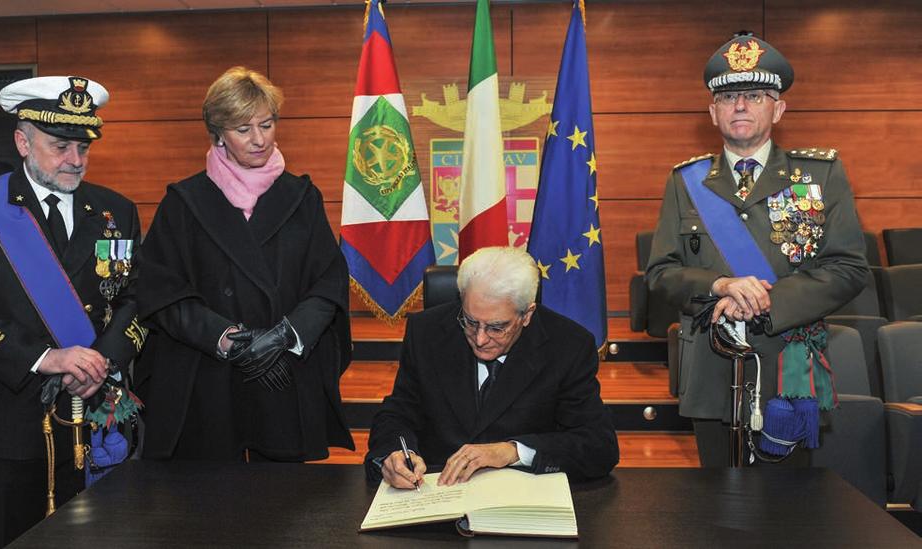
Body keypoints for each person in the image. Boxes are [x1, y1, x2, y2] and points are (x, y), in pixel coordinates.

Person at [0, 76, 143, 548]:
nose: (75, 160)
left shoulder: (115, 211)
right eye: (60, 146)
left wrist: (102, 361)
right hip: (8, 421)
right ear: (22, 142)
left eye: (83, 147)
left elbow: (135, 300)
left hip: (96, 415)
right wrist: (45, 359)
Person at [645, 32, 869, 466]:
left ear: (778, 108)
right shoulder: (685, 182)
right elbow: (660, 273)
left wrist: (766, 302)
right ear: (713, 113)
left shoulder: (821, 174)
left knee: (788, 515)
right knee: (716, 513)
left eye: (755, 94)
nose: (741, 106)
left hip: (789, 371)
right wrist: (722, 285)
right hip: (711, 369)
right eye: (729, 98)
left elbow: (848, 268)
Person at [135, 66, 354, 461]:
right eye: (243, 129)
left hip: (282, 371)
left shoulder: (302, 197)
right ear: (218, 133)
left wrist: (285, 336)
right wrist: (227, 339)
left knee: (286, 507)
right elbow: (160, 290)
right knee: (211, 507)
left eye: (267, 125)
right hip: (209, 376)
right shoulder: (184, 202)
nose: (259, 140)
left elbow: (328, 282)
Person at [365, 246, 619, 488]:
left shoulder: (568, 346)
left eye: (497, 327)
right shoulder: (426, 332)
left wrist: (512, 451)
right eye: (470, 321)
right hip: (437, 490)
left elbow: (598, 445)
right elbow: (397, 413)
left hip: (520, 500)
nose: (480, 339)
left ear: (527, 315)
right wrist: (396, 454)